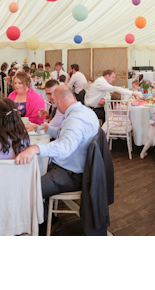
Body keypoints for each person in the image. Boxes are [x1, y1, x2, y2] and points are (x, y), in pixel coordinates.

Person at [14, 85, 100, 228]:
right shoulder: (84, 111)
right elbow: (65, 134)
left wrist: (35, 148)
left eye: (54, 102)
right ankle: (41, 211)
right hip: (76, 167)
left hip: (71, 174)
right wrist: (41, 128)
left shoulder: (75, 120)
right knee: (33, 174)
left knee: (26, 189)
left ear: (59, 102)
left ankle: (50, 223)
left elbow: (65, 147)